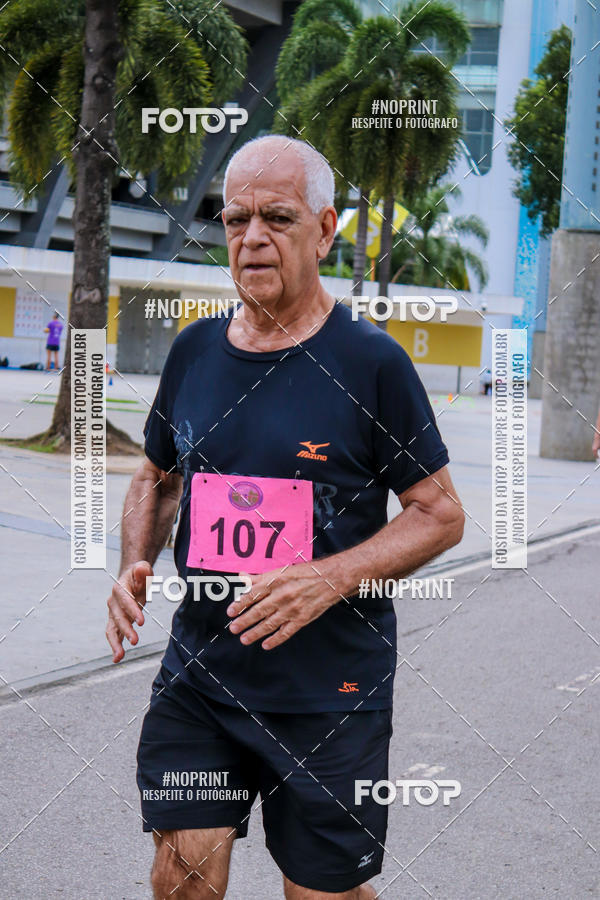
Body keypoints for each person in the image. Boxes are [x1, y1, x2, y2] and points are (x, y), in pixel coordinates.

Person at [106, 135, 465, 899]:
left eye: (277, 217)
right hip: (203, 677)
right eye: (236, 219)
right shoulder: (194, 351)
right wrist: (134, 558)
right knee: (184, 872)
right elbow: (158, 475)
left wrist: (329, 578)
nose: (252, 237)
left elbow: (439, 513)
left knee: (321, 893)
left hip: (330, 693)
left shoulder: (373, 363)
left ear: (326, 229)